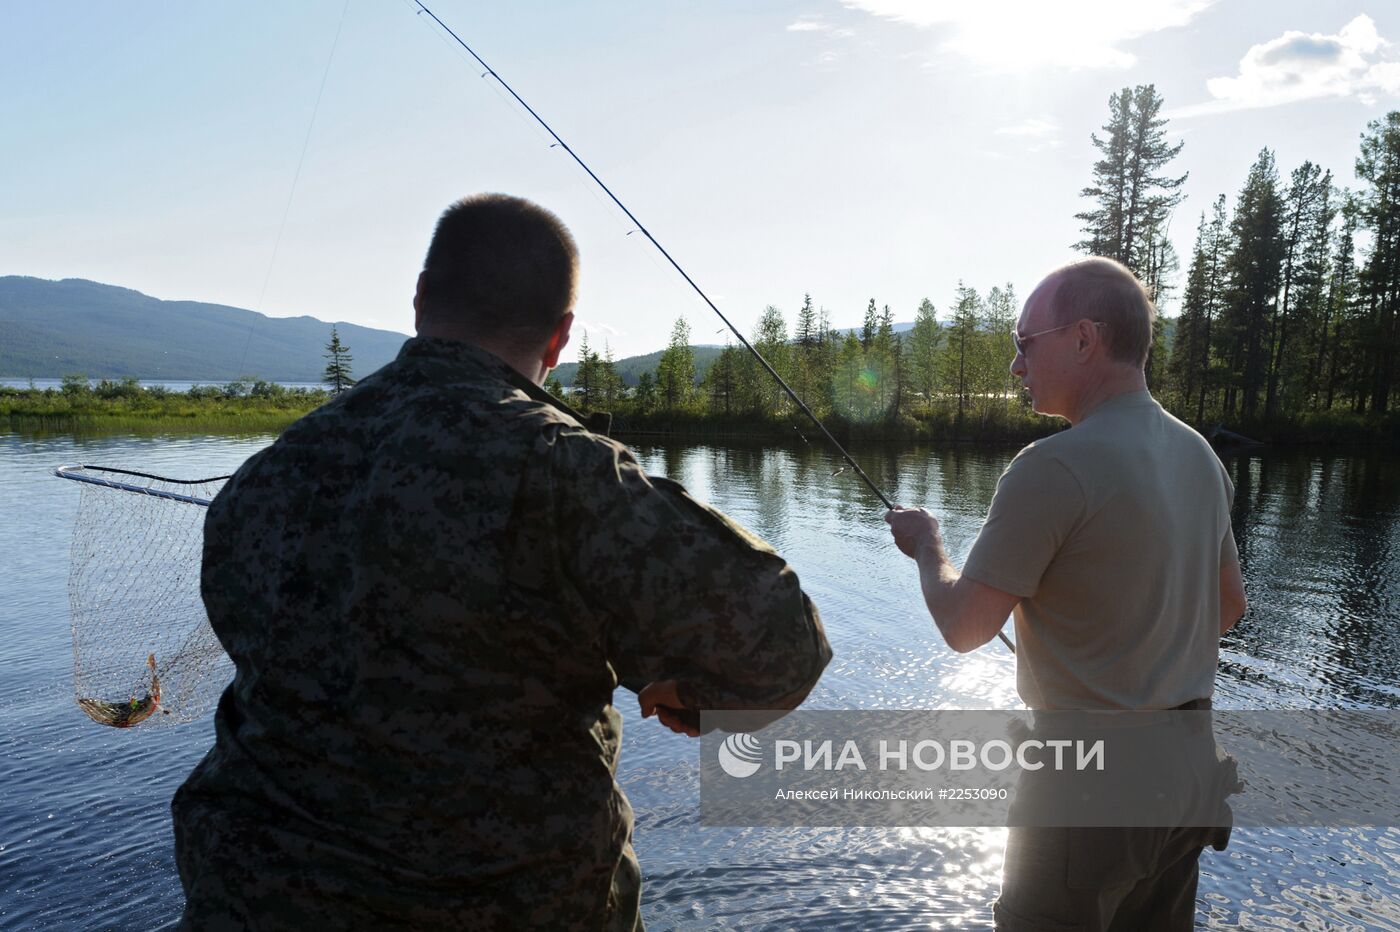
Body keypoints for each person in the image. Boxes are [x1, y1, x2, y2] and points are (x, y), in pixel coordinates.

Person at [172, 193, 832, 930]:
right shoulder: (569, 473)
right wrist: (701, 698)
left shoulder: (264, 476)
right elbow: (786, 645)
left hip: (253, 902)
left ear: (421, 299)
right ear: (560, 338)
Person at [885, 257, 1247, 931]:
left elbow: (965, 626)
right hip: (1190, 770)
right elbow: (1227, 609)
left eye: (1024, 344)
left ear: (1085, 339)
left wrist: (928, 544)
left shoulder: (1050, 466)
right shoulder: (1200, 454)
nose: (1017, 368)